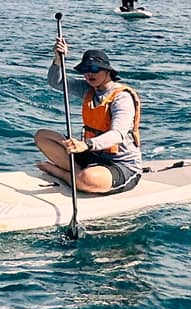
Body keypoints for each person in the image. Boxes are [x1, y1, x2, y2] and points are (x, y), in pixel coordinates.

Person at [36, 40, 143, 194]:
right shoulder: (88, 89)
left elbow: (117, 135)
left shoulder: (122, 98)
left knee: (87, 179)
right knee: (43, 136)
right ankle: (77, 173)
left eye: (94, 69)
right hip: (93, 156)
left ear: (108, 72)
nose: (89, 74)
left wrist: (86, 145)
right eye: (85, 69)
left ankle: (65, 174)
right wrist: (57, 60)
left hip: (120, 164)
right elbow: (56, 82)